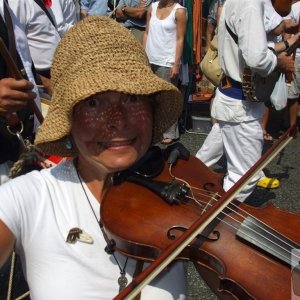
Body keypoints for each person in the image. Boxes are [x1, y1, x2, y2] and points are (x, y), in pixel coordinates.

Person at [0, 16, 187, 299]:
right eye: (94, 102)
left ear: (151, 106)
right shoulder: (28, 198)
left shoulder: (181, 189)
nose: (117, 121)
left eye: (132, 97)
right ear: (69, 119)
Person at [195, 0, 295, 202]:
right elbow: (256, 58)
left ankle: (182, 188)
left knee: (202, 162)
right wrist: (279, 62)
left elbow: (259, 35)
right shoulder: (250, 3)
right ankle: (215, 223)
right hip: (241, 106)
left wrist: (285, 34)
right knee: (246, 176)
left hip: (229, 99)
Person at [143, 0, 187, 145]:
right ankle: (154, 128)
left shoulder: (179, 11)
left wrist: (176, 64)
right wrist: (142, 54)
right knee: (150, 97)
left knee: (168, 97)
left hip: (166, 60)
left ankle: (170, 132)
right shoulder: (153, 7)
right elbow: (147, 32)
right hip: (150, 58)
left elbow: (180, 39)